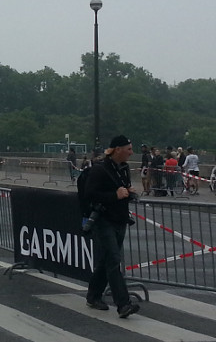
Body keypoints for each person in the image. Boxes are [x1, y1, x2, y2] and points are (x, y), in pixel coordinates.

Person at [84, 135, 141, 319]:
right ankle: (123, 304)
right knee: (114, 260)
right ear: (118, 149)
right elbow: (90, 194)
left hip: (119, 219)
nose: (131, 153)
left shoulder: (123, 169)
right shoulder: (99, 169)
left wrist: (128, 193)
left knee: (106, 260)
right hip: (103, 220)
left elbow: (121, 189)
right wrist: (114, 196)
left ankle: (93, 296)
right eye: (129, 149)